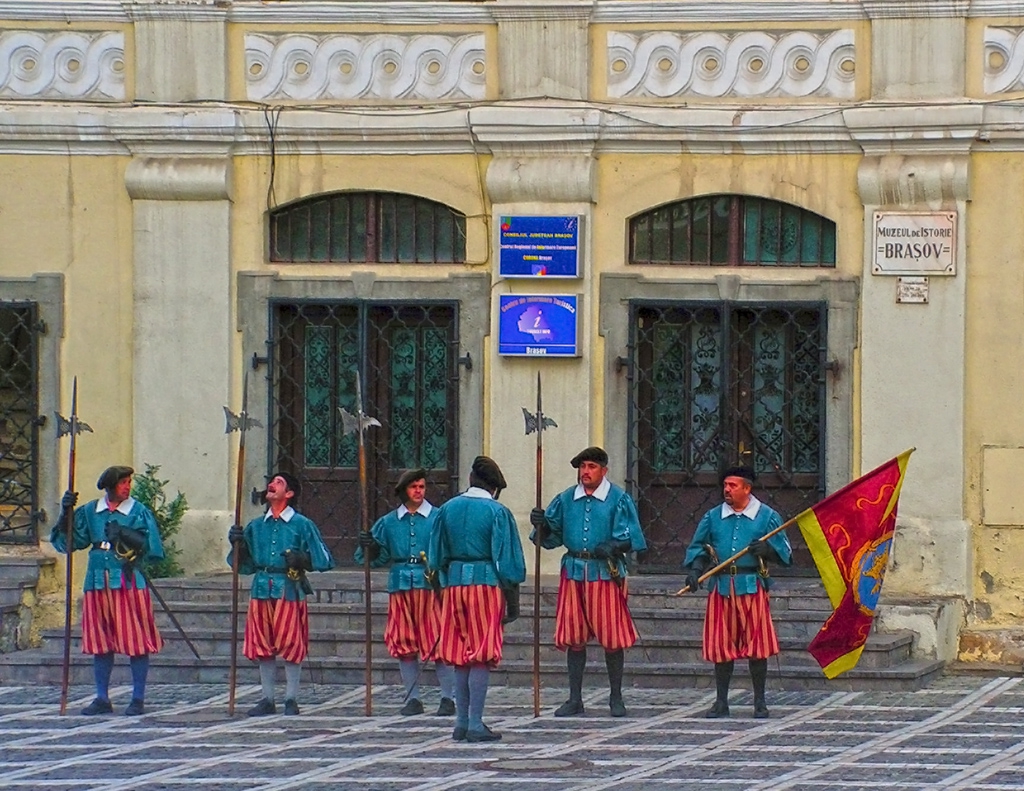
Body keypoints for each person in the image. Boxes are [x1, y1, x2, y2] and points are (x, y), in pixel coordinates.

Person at [529, 446, 647, 718]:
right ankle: (574, 699)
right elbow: (551, 536)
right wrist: (541, 523)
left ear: (603, 470)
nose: (585, 472)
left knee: (612, 637)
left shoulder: (618, 498)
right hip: (573, 572)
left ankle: (615, 697)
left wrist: (615, 546)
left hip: (604, 572)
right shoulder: (566, 499)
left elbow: (634, 538)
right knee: (574, 637)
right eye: (582, 467)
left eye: (591, 467)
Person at [50, 465, 164, 716]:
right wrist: (65, 514)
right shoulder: (91, 511)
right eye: (123, 482)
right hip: (97, 581)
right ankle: (102, 697)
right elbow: (70, 542)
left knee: (137, 640)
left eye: (129, 482)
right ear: (111, 486)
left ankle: (137, 698)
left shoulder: (138, 511)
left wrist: (125, 534)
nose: (128, 486)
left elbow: (152, 547)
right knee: (100, 641)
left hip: (128, 580)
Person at [427, 456, 525, 743]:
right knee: (481, 653)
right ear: (494, 487)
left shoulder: (446, 510)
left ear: (470, 480)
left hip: (454, 585)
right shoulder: (497, 512)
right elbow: (509, 563)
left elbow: (434, 556)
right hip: (484, 586)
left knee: (459, 655)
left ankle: (460, 722)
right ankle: (475, 723)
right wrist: (513, 600)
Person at [682, 465, 792, 719]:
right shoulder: (713, 516)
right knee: (721, 646)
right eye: (725, 485)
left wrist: (766, 551)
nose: (727, 490)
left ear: (747, 488)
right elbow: (699, 546)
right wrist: (696, 569)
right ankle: (721, 701)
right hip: (721, 587)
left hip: (751, 585)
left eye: (733, 486)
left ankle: (760, 702)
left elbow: (785, 553)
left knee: (758, 645)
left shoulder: (767, 516)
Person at [227, 472, 334, 717]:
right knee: (263, 643)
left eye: (279, 482)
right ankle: (267, 698)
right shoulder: (255, 526)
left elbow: (325, 559)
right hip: (262, 587)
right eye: (271, 482)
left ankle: (291, 698)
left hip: (289, 587)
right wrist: (237, 545)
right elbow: (243, 566)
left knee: (291, 642)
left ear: (289, 494)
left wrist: (303, 559)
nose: (271, 485)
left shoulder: (302, 524)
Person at [355, 468, 456, 716]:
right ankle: (413, 698)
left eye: (422, 486)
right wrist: (370, 548)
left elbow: (449, 547)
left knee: (437, 640)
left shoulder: (438, 517)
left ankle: (447, 697)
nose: (419, 491)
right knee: (403, 642)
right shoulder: (389, 522)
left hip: (429, 585)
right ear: (403, 491)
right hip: (401, 585)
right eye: (414, 487)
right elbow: (372, 559)